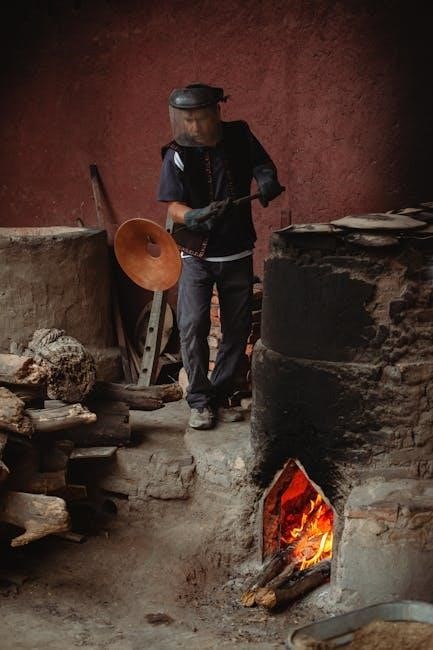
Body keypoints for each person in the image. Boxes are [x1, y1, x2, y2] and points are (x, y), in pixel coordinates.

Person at [158, 83, 284, 430]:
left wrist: (267, 179)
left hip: (237, 248)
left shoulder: (240, 135)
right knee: (191, 324)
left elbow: (262, 164)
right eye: (187, 119)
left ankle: (220, 393)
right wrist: (192, 216)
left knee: (237, 328)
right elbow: (172, 206)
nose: (193, 126)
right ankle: (199, 400)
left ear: (216, 112)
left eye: (199, 118)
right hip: (195, 254)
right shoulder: (176, 154)